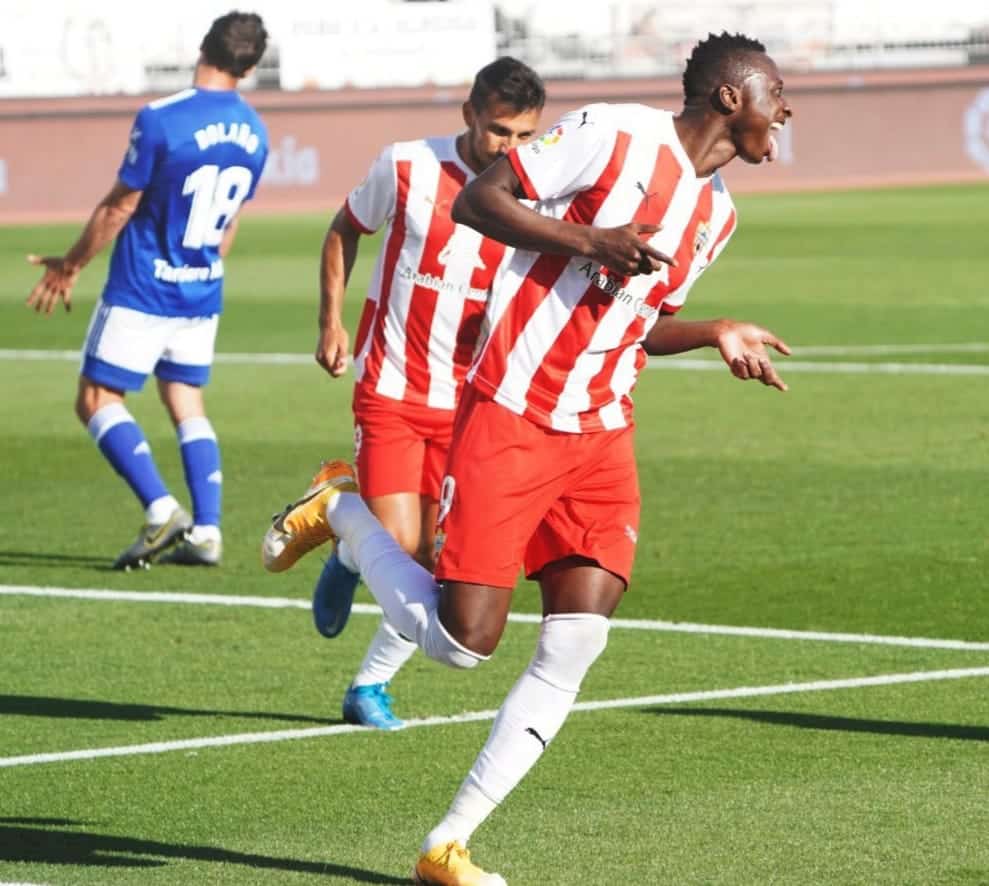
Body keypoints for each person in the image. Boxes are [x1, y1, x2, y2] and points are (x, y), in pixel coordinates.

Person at [263, 31, 792, 886]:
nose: (787, 108)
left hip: (601, 430)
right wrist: (590, 241)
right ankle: (344, 512)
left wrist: (713, 331)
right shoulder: (614, 131)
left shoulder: (719, 213)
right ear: (730, 97)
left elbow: (639, 321)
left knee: (576, 643)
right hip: (511, 410)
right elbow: (478, 200)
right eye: (776, 91)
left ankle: (448, 846)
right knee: (464, 644)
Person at [303, 58, 545, 730]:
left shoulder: (541, 193)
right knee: (404, 547)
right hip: (390, 388)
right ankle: (346, 522)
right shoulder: (407, 166)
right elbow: (345, 228)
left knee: (442, 566)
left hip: (471, 406)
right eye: (500, 131)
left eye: (526, 135)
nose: (512, 149)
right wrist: (331, 321)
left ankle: (366, 678)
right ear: (470, 113)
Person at [26, 12, 269, 570]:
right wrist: (199, 271)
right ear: (251, 68)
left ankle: (162, 510)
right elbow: (229, 222)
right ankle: (208, 531)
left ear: (203, 46)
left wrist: (70, 265)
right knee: (185, 399)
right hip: (202, 288)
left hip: (143, 287)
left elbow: (119, 205)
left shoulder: (162, 119)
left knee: (95, 400)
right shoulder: (256, 132)